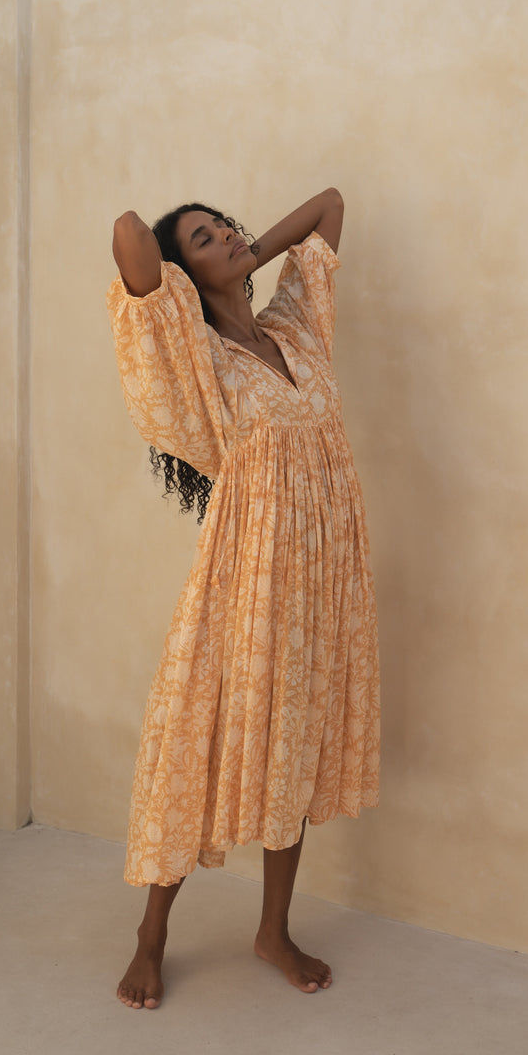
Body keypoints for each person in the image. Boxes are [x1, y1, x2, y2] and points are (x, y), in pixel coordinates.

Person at [107, 188, 380, 1008]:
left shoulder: (297, 328)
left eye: (225, 224)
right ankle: (151, 938)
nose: (225, 235)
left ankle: (274, 930)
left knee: (291, 738)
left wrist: (251, 258)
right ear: (182, 272)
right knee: (203, 731)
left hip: (323, 572)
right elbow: (127, 234)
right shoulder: (195, 358)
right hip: (248, 571)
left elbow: (332, 204)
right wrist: (189, 275)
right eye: (204, 236)